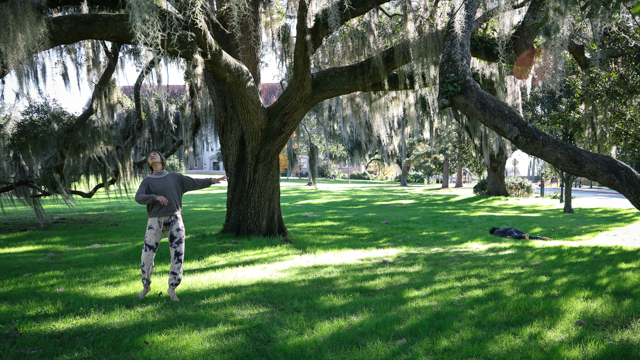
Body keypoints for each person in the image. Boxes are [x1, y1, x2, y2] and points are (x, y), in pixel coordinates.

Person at [135, 150, 227, 301]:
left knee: (177, 254)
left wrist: (212, 180)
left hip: (175, 219)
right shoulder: (147, 181)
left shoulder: (175, 178)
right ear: (149, 164)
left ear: (162, 159)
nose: (152, 155)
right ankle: (146, 286)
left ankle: (172, 289)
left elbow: (194, 182)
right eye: (149, 155)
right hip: (154, 221)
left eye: (155, 154)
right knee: (147, 255)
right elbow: (138, 197)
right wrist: (154, 197)